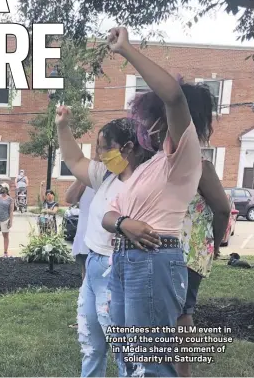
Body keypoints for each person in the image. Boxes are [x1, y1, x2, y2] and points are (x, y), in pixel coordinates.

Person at [101, 27, 208, 377]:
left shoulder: (184, 154)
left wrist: (127, 50)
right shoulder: (151, 165)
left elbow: (175, 97)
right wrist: (122, 223)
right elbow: (109, 213)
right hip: (124, 259)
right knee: (126, 355)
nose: (146, 126)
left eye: (151, 118)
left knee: (151, 362)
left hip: (153, 258)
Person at [129, 78, 230, 378]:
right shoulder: (166, 162)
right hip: (173, 250)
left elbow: (223, 208)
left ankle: (180, 373)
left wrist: (215, 240)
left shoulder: (198, 165)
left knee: (181, 314)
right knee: (177, 313)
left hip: (184, 252)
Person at [57, 112, 153, 377]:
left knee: (126, 353)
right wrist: (63, 126)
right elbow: (74, 159)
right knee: (91, 345)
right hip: (94, 265)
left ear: (129, 147)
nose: (99, 155)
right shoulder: (108, 175)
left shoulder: (145, 183)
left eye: (104, 148)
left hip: (120, 272)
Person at [64, 179, 91, 280]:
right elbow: (69, 198)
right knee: (86, 273)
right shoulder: (86, 181)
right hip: (85, 236)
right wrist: (82, 176)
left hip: (105, 238)